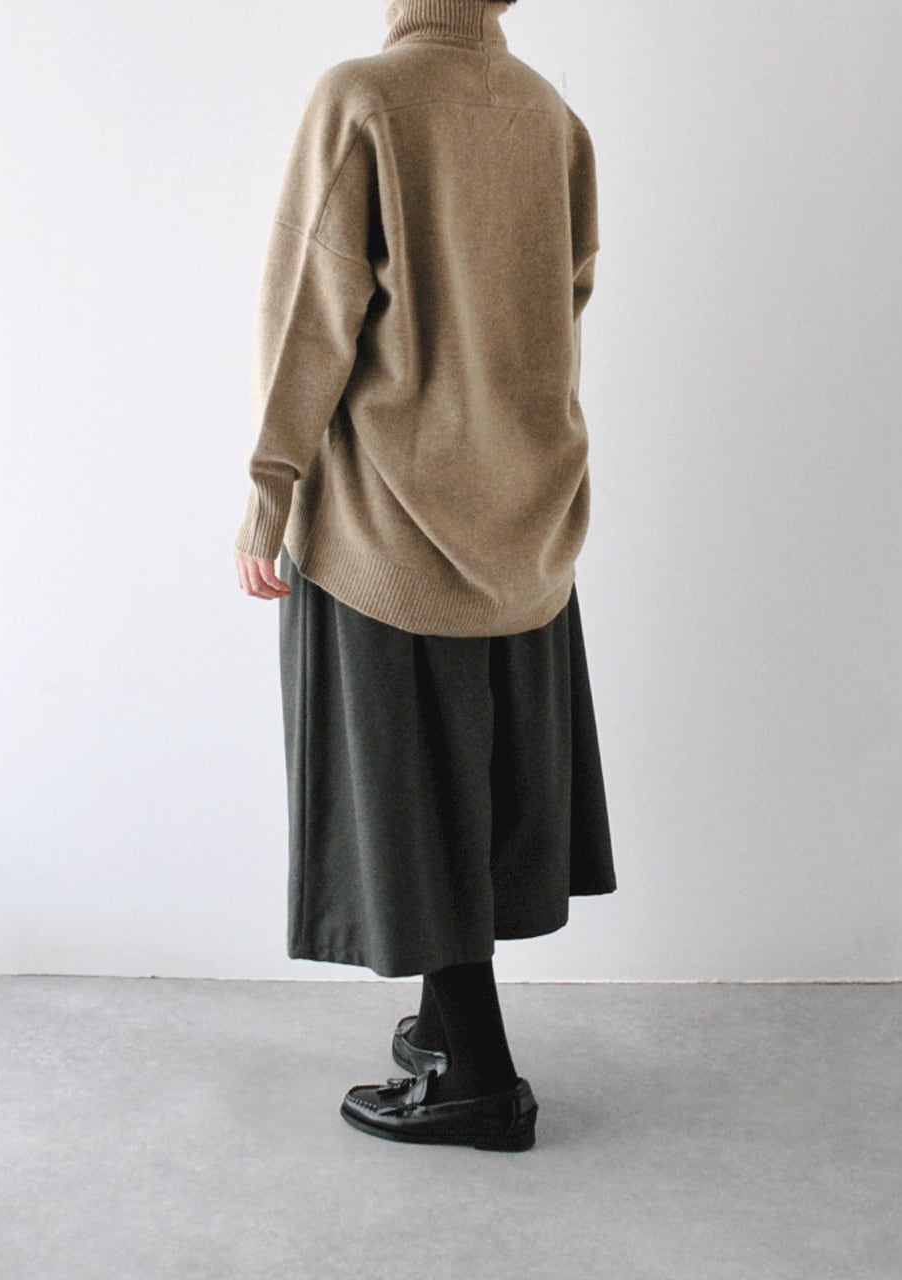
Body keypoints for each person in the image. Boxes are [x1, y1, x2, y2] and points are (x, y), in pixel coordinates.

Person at [232, 0, 615, 1152]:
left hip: (388, 519)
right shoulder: (548, 115)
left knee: (410, 796)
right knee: (479, 784)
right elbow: (564, 301)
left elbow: (310, 314)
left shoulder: (365, 97)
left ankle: (478, 1081)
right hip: (525, 512)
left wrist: (269, 489)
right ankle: (445, 1031)